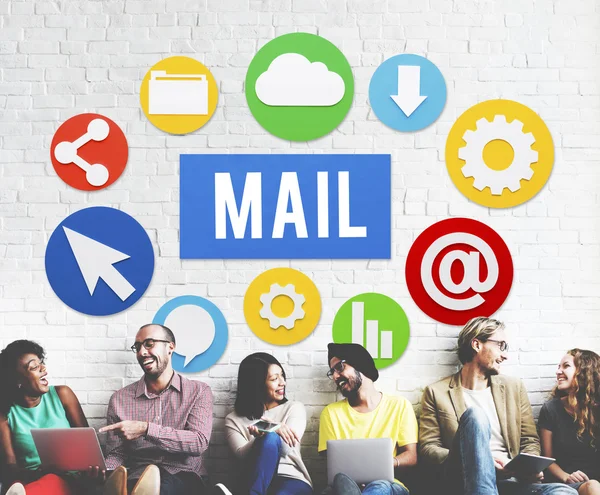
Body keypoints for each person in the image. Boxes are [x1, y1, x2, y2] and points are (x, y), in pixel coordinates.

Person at [418, 316, 578, 495]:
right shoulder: (436, 392)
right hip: (466, 481)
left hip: (512, 480)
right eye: (500, 345)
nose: (505, 355)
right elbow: (428, 448)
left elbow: (529, 440)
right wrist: (480, 459)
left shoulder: (514, 387)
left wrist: (528, 467)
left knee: (564, 492)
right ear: (477, 345)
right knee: (475, 416)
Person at [0, 339, 126, 495]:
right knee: (45, 481)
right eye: (34, 367)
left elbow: (89, 445)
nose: (43, 369)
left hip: (72, 478)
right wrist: (41, 473)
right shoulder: (5, 413)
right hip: (29, 479)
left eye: (41, 363)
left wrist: (94, 469)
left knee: (57, 480)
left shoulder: (62, 395)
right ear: (18, 380)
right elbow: (9, 468)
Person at [99, 323, 214, 495]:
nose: (142, 352)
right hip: (137, 476)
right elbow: (117, 452)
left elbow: (198, 442)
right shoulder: (120, 400)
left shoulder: (198, 392)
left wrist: (146, 429)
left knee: (164, 487)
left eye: (149, 344)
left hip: (184, 474)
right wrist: (107, 469)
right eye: (137, 347)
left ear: (170, 347)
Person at [318, 342, 418, 495]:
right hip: (347, 486)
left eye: (339, 367)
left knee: (379, 486)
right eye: (332, 372)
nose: (335, 376)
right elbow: (333, 467)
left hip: (389, 485)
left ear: (360, 365)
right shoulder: (331, 413)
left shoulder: (399, 405)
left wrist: (389, 463)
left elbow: (411, 456)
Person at [215, 352, 312, 495]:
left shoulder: (294, 408)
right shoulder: (233, 419)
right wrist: (260, 438)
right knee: (270, 437)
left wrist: (271, 428)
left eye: (282, 376)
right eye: (274, 379)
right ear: (257, 384)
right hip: (253, 478)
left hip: (290, 479)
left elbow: (286, 449)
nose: (282, 382)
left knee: (271, 437)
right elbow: (241, 455)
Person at [539, 349, 600, 494]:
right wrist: (567, 477)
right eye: (558, 367)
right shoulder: (551, 409)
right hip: (568, 483)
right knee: (592, 486)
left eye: (566, 366)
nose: (558, 372)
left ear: (584, 371)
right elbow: (546, 460)